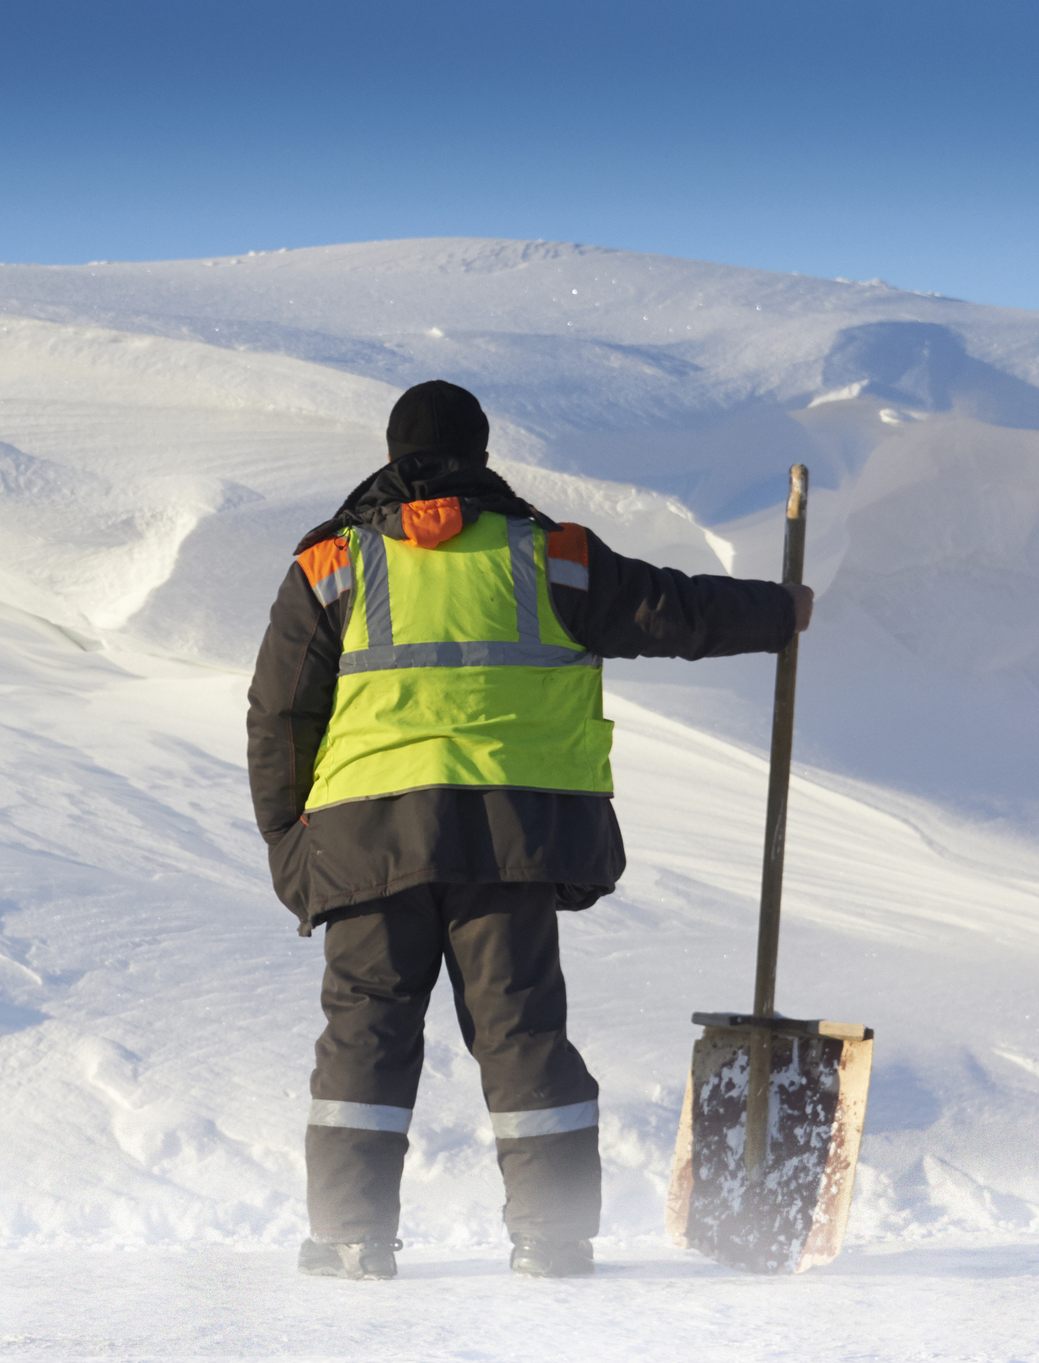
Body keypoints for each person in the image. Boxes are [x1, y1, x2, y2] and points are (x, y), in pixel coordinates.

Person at [245, 380, 811, 1281]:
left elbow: (280, 716)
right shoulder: (552, 557)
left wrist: (289, 845)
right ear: (480, 452)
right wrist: (778, 612)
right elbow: (673, 610)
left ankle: (352, 1238)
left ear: (392, 457)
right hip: (508, 838)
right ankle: (550, 1239)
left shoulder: (330, 565)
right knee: (523, 1035)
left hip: (365, 840)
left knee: (365, 1035)